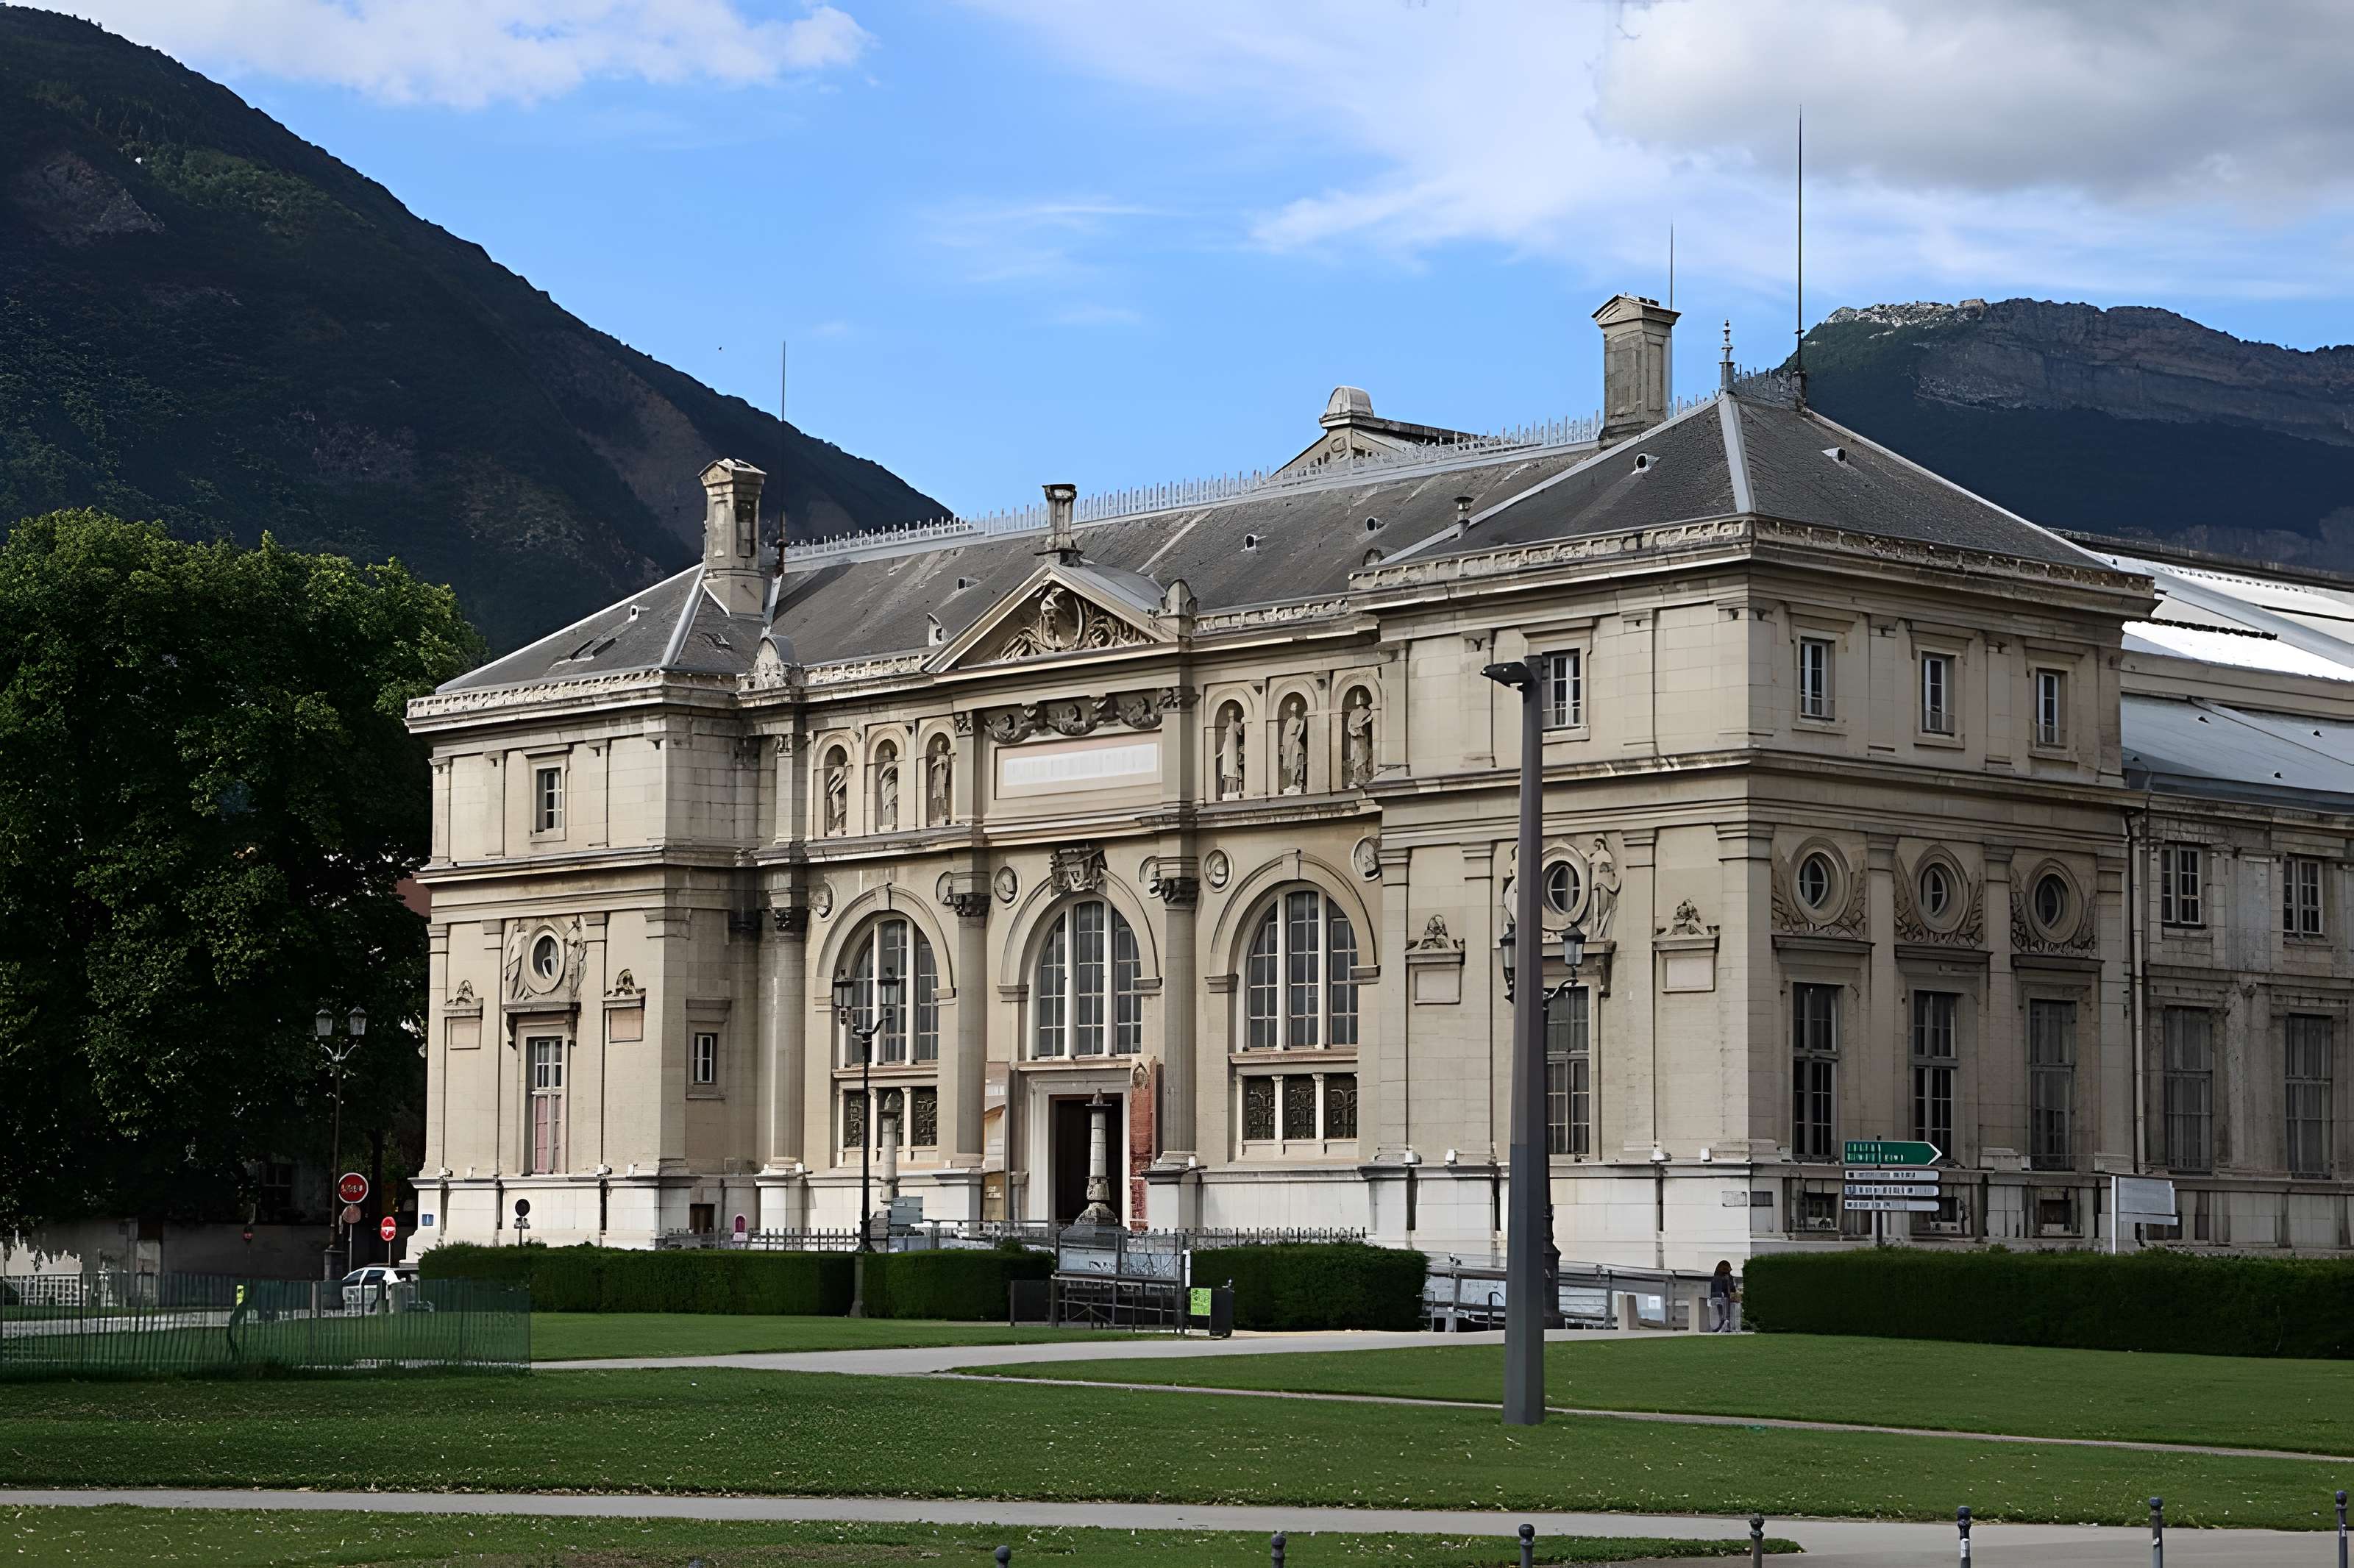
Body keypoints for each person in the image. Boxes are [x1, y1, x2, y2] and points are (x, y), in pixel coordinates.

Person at [1709, 1259, 1738, 1332]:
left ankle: (1726, 1324)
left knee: (1727, 1312)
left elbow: (1732, 1289)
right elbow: (1714, 1289)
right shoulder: (1717, 1278)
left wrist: (1734, 1295)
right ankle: (1723, 1323)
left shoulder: (1729, 1278)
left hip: (1727, 1298)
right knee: (1721, 1312)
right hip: (1720, 1298)